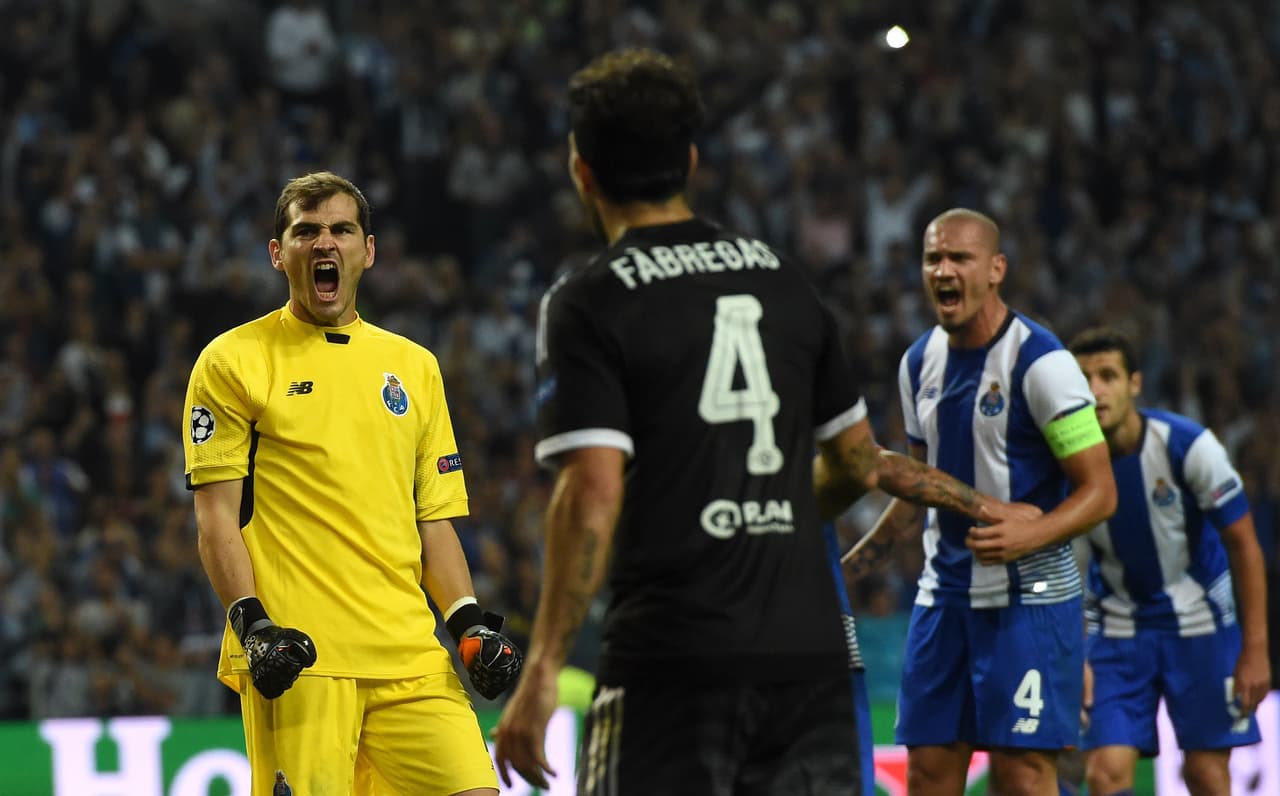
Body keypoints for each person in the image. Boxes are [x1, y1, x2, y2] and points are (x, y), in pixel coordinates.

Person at [490, 49, 1038, 796]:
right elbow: (856, 462)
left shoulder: (589, 297)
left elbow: (591, 489)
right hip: (806, 658)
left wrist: (545, 664)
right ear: (689, 159)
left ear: (581, 169)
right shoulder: (783, 279)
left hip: (673, 657)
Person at [181, 171, 521, 795]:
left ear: (369, 250)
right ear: (278, 253)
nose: (324, 243)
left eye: (341, 229)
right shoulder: (233, 361)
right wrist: (253, 629)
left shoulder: (415, 368)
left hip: (408, 653)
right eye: (305, 231)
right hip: (301, 658)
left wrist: (468, 622)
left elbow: (432, 519)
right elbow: (215, 521)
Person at [843, 208, 1118, 796]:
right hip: (943, 600)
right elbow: (918, 488)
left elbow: (1100, 493)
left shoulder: (1042, 364)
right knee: (929, 775)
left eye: (959, 258)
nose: (943, 270)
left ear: (996, 270)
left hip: (1031, 601)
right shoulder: (917, 364)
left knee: (1021, 778)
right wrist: (842, 573)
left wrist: (1032, 534)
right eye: (933, 258)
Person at [1068, 326, 1269, 796]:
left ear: (1134, 383)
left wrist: (1256, 649)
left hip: (1201, 626)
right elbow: (1070, 571)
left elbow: (1244, 544)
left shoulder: (1189, 447)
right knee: (1105, 773)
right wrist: (1076, 656)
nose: (1095, 390)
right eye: (1084, 379)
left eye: (1108, 376)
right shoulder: (1068, 465)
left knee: (1205, 775)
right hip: (1117, 630)